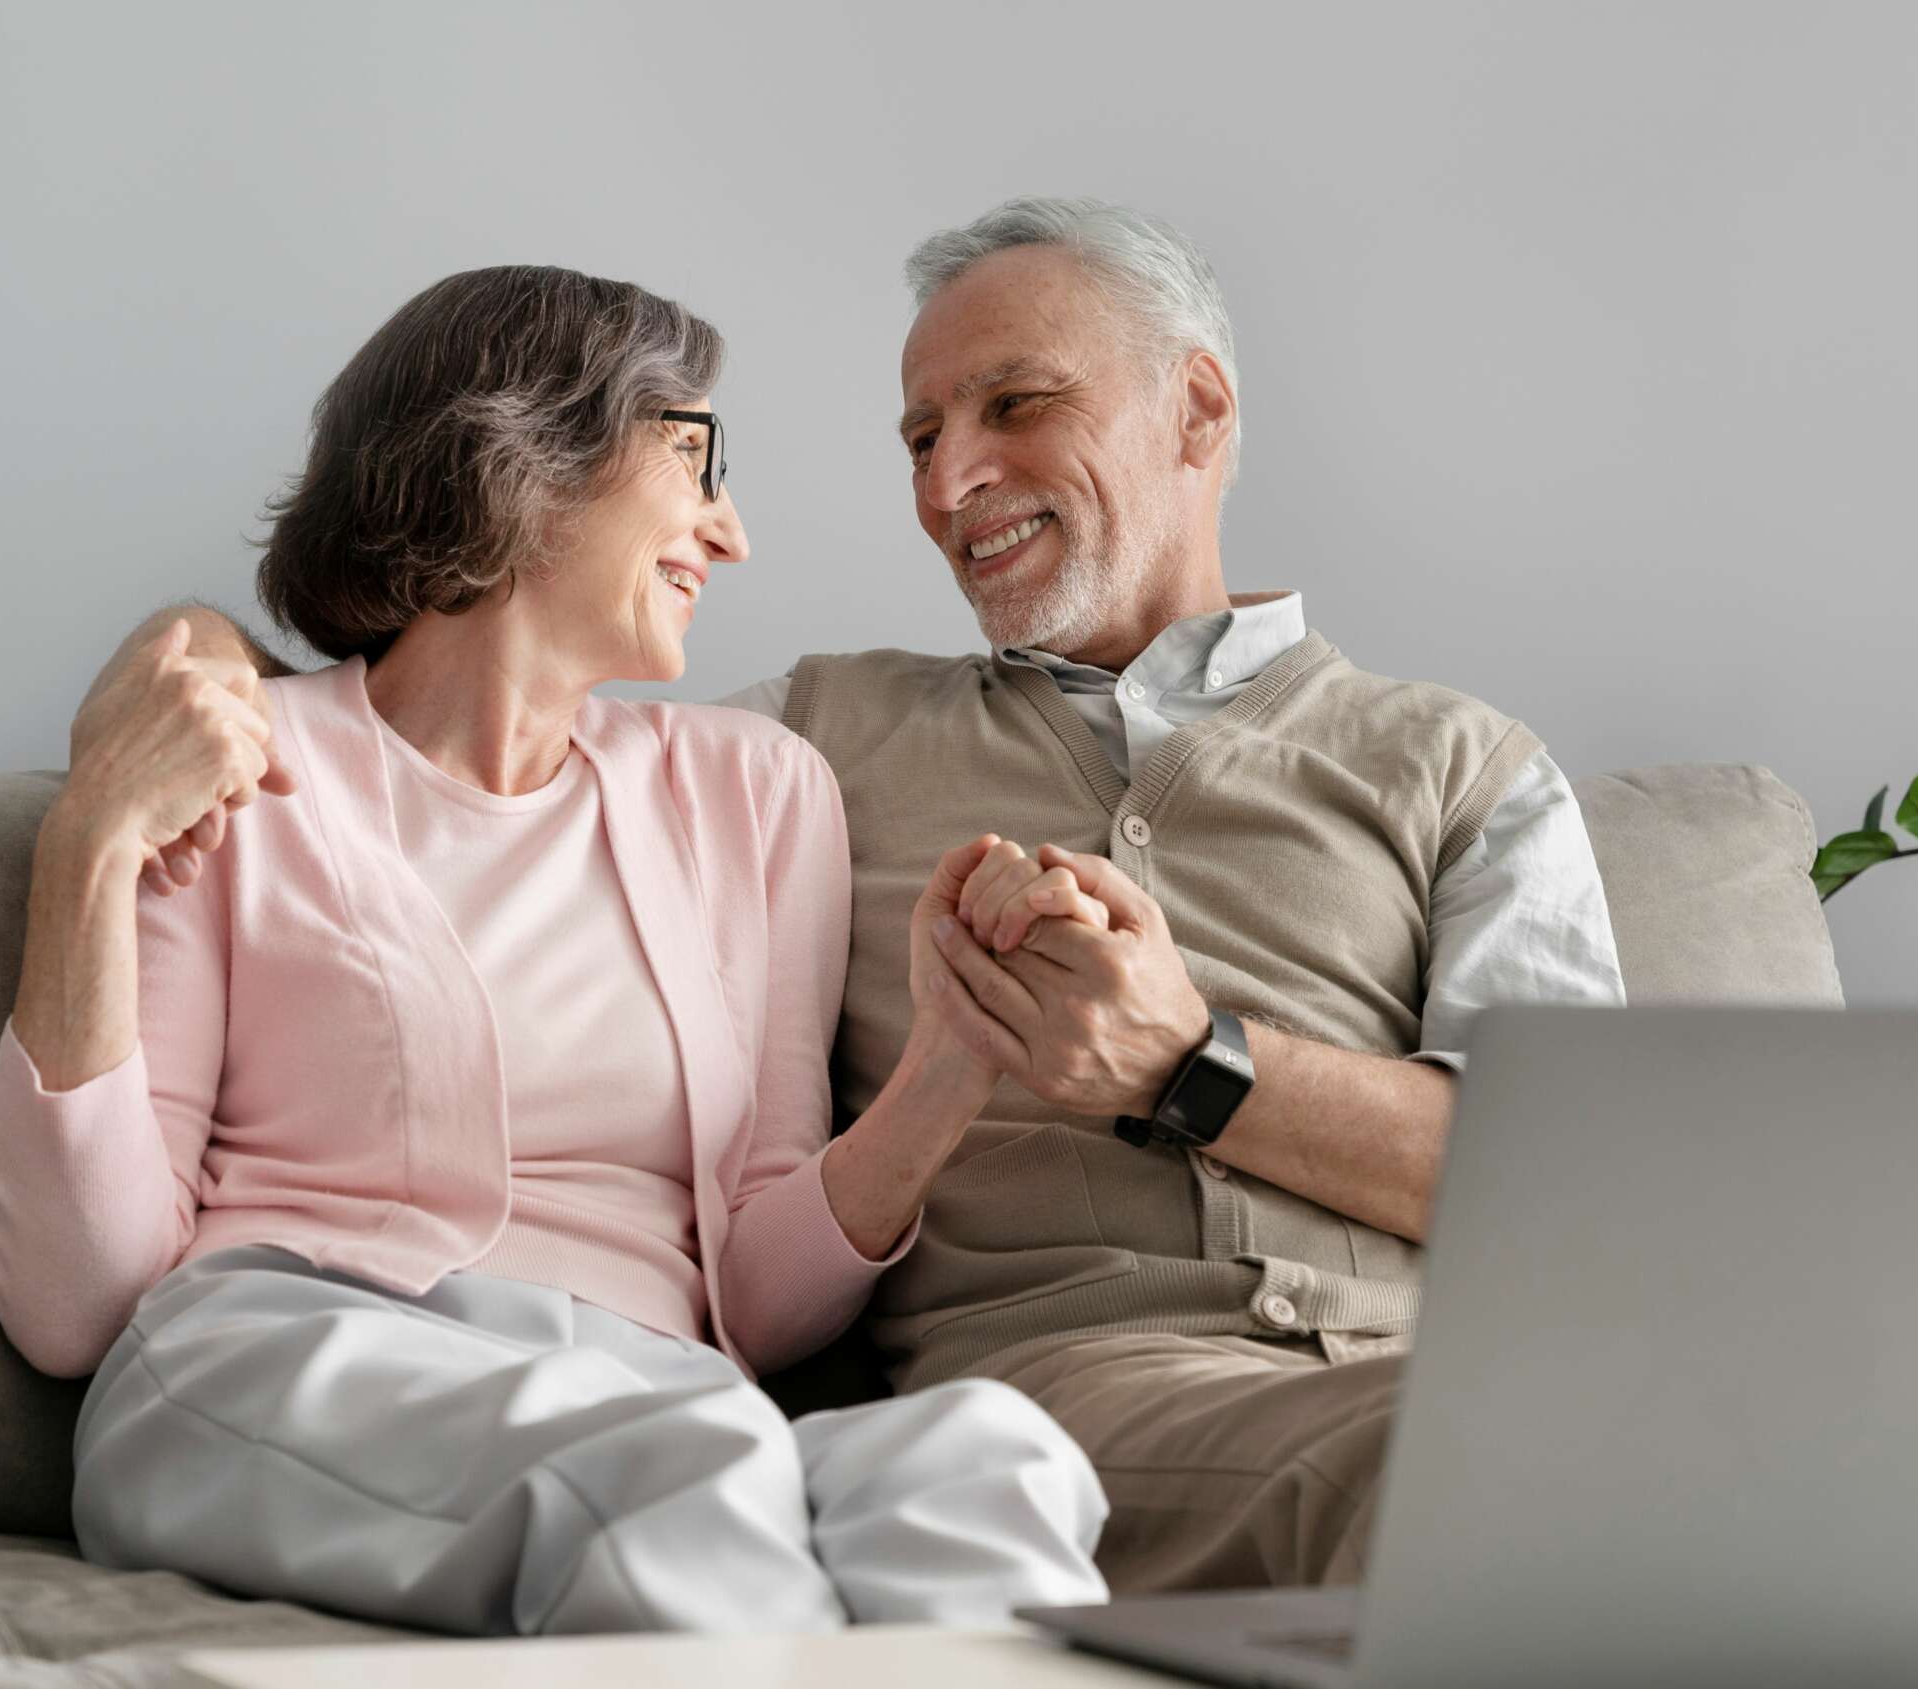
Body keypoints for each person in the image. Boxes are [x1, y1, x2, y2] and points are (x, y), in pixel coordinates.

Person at [133, 198, 1627, 1598]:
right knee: (1498, 1470)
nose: (945, 481)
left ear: (1201, 408)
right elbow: (478, 710)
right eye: (920, 434)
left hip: (1429, 1364)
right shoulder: (808, 740)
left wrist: (1193, 1061)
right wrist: (184, 657)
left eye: (1013, 405)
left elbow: (1581, 1197)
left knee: (1655, 1425)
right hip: (1086, 1390)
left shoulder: (1466, 769)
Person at [0, 264, 1109, 1637]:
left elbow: (752, 1288)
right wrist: (87, 848)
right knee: (670, 1483)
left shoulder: (756, 792)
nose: (732, 532)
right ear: (521, 460)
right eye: (697, 461)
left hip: (657, 1396)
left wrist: (954, 1057)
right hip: (279, 1352)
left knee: (991, 1466)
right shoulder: (246, 764)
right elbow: (73, 1302)